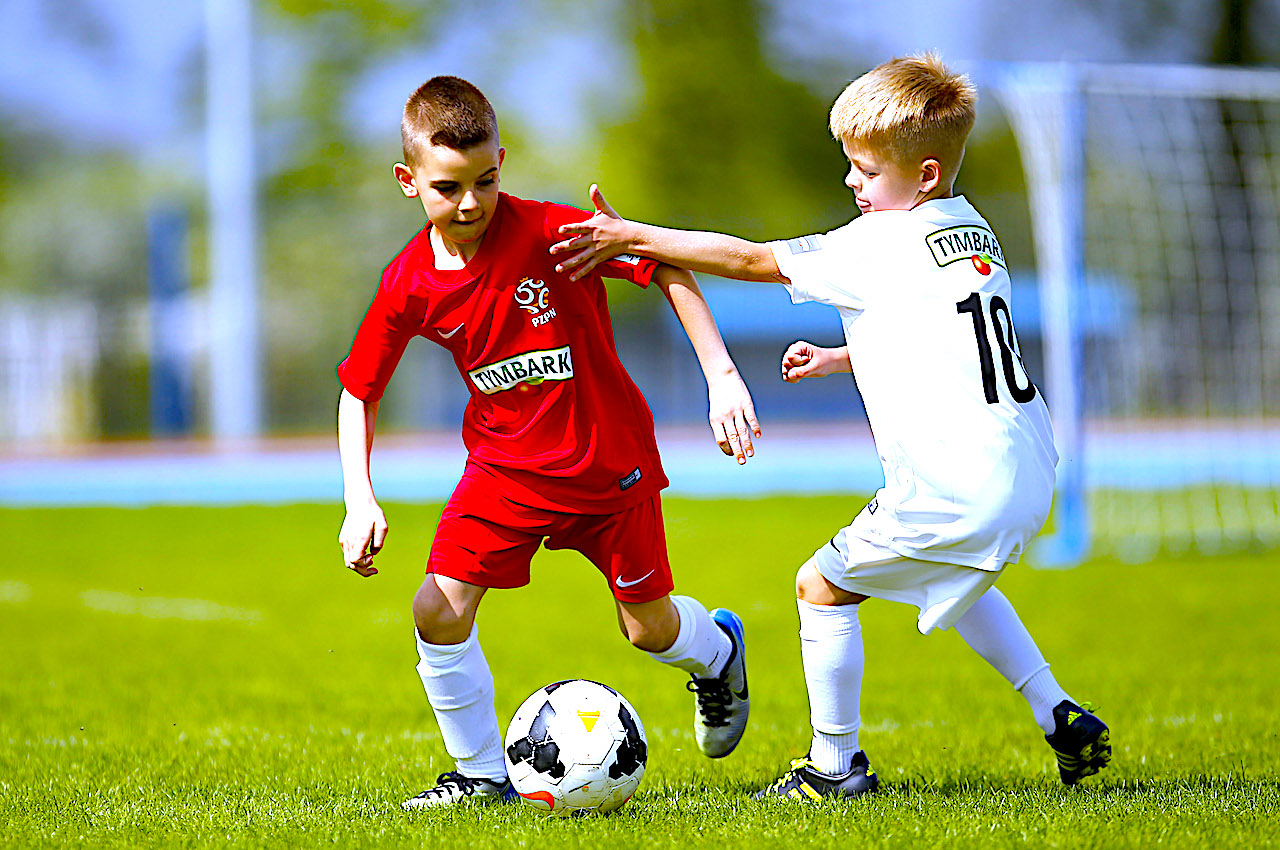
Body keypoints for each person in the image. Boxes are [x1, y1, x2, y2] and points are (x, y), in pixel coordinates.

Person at [550, 53, 1111, 799]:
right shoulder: (970, 230)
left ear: (926, 174)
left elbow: (747, 257)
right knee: (954, 575)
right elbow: (936, 333)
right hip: (1029, 462)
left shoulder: (876, 243)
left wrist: (633, 235)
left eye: (867, 171)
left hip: (956, 479)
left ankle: (833, 766)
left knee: (820, 584)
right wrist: (842, 355)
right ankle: (1058, 712)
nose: (853, 183)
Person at [336, 76, 759, 809]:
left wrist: (722, 374)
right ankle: (480, 774)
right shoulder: (407, 282)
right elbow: (359, 390)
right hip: (504, 473)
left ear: (502, 160)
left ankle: (718, 651)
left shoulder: (551, 232)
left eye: (485, 181)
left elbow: (664, 266)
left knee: (649, 629)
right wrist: (358, 498)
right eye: (448, 187)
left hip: (609, 465)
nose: (470, 202)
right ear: (408, 181)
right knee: (437, 609)